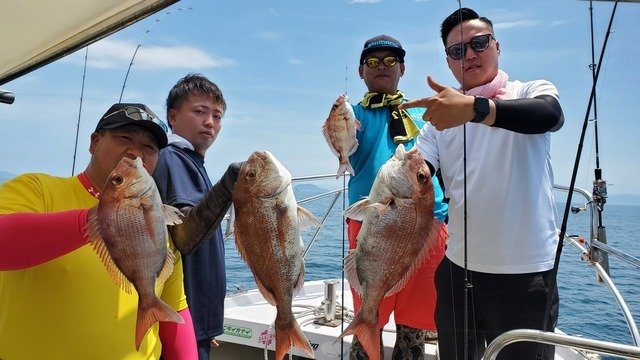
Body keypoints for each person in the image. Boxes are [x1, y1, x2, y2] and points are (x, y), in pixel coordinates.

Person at [400, 8, 564, 360]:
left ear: (497, 45)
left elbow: (549, 116)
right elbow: (419, 168)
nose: (470, 54)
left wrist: (475, 108)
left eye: (479, 43)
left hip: (525, 275)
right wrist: (403, 169)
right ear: (448, 61)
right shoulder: (438, 120)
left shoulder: (530, 89)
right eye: (458, 51)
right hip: (457, 269)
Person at [0, 103, 197, 359]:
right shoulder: (37, 188)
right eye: (124, 137)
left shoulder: (158, 222)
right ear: (94, 142)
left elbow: (175, 309)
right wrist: (97, 219)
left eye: (149, 147)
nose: (135, 152)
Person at [345, 34, 449, 360]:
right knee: (369, 315)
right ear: (361, 70)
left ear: (402, 68)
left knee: (415, 323)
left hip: (428, 224)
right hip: (371, 220)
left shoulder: (423, 115)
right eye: (373, 61)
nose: (382, 67)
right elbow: (340, 140)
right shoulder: (352, 115)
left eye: (390, 61)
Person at [152, 73, 241, 360]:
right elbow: (185, 235)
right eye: (200, 111)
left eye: (217, 115)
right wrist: (229, 185)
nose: (210, 122)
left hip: (193, 320)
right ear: (173, 117)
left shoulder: (191, 161)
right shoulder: (173, 157)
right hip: (180, 317)